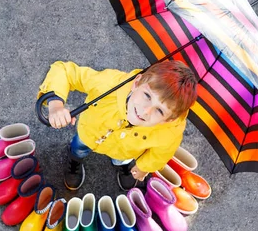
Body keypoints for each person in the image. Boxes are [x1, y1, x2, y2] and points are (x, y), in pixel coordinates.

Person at [37, 60, 197, 191]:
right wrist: (56, 105)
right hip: (90, 133)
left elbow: (162, 153)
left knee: (122, 159)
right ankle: (75, 161)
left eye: (160, 111)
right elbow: (64, 71)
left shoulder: (171, 131)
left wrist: (144, 167)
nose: (146, 111)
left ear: (169, 119)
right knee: (79, 148)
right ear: (136, 83)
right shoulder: (109, 84)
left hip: (125, 151)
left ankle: (122, 164)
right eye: (147, 95)